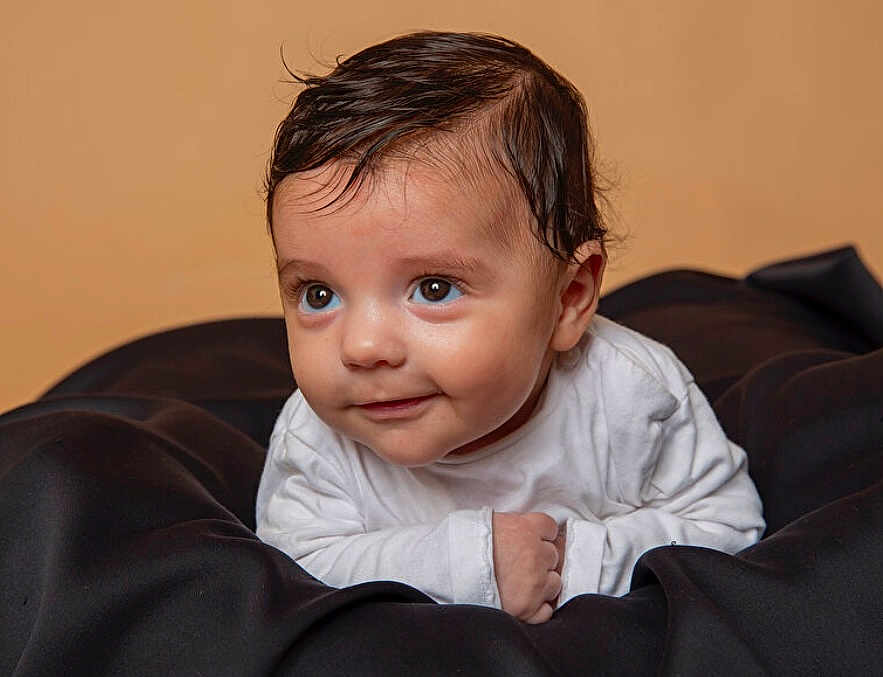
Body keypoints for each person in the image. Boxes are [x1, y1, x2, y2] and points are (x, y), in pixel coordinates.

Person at [255, 30, 765, 625]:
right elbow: (292, 571)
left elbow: (731, 530)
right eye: (319, 295)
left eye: (434, 289)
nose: (362, 347)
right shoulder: (314, 438)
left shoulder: (633, 398)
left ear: (569, 299)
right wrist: (464, 565)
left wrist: (574, 563)